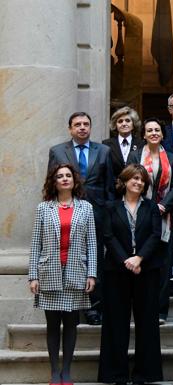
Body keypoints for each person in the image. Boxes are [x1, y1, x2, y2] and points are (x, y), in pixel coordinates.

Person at [28, 163, 97, 385]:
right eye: (60, 176)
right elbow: (35, 243)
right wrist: (33, 276)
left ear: (75, 180)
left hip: (76, 272)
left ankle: (66, 372)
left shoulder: (86, 207)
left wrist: (92, 274)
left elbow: (92, 244)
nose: (65, 179)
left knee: (70, 325)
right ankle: (54, 372)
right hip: (49, 272)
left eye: (68, 175)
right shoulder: (43, 208)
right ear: (54, 182)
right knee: (52, 325)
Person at [98, 164, 163, 385]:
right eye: (134, 178)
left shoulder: (152, 207)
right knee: (116, 322)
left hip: (146, 270)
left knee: (147, 323)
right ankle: (116, 374)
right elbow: (108, 236)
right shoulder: (110, 206)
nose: (138, 182)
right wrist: (126, 260)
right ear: (124, 181)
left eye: (142, 180)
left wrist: (139, 258)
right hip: (117, 270)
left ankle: (144, 374)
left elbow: (156, 235)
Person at [48, 111, 115, 325]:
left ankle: (94, 308)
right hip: (66, 211)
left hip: (97, 212)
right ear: (70, 128)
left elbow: (110, 186)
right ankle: (71, 306)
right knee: (69, 257)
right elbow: (51, 183)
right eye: (77, 124)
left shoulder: (104, 151)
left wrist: (110, 213)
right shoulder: (58, 151)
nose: (82, 127)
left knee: (95, 259)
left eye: (86, 124)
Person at [127, 117, 173, 324]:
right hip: (139, 215)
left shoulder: (171, 158)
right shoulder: (135, 155)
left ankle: (160, 311)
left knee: (162, 264)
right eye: (149, 130)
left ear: (162, 134)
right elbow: (130, 181)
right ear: (143, 134)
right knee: (141, 259)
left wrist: (162, 205)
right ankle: (140, 308)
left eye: (157, 130)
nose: (153, 133)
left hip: (164, 216)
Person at [103, 106, 144, 180]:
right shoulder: (106, 144)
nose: (124, 124)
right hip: (113, 188)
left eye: (127, 120)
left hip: (135, 187)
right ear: (115, 125)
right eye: (120, 121)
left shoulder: (141, 144)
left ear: (133, 124)